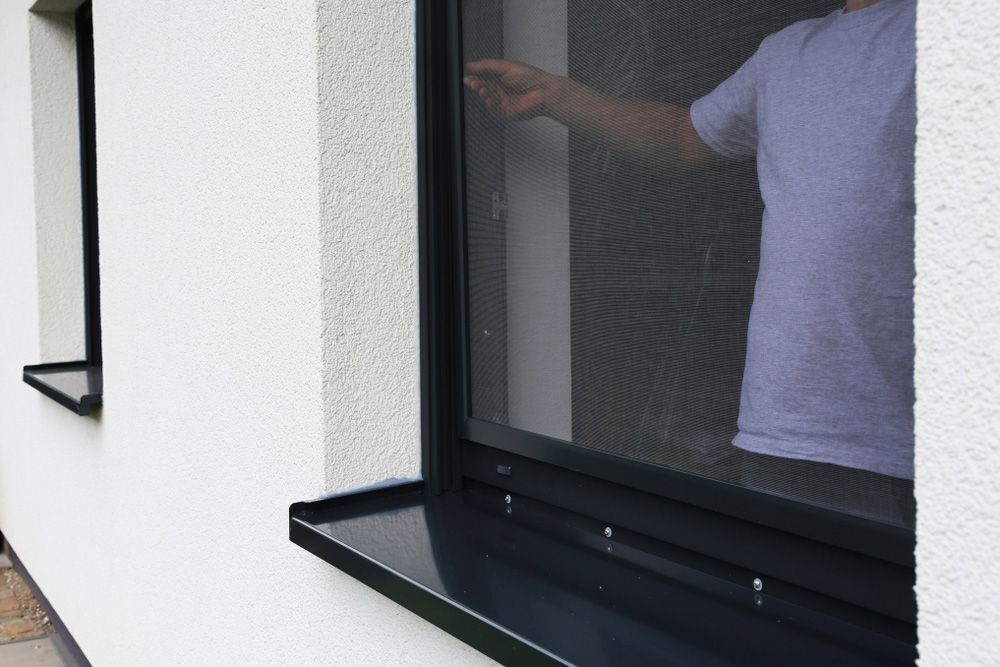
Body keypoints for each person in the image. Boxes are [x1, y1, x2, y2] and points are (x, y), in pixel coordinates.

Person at [464, 0, 916, 524]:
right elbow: (684, 137)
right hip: (784, 427)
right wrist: (556, 96)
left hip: (920, 432)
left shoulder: (960, 33)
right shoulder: (788, 52)